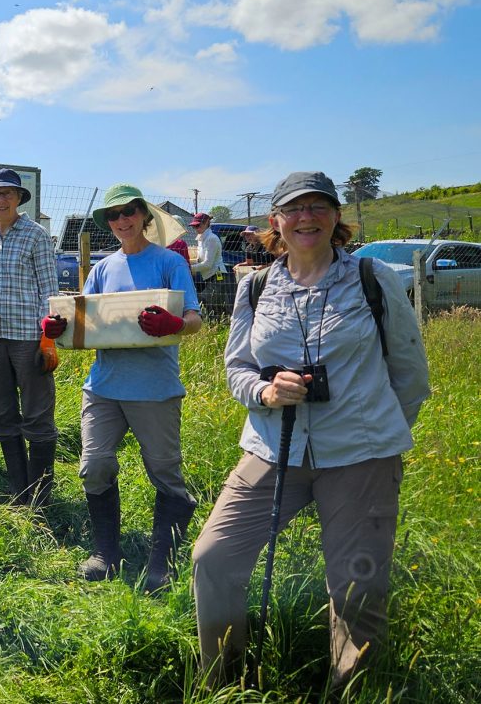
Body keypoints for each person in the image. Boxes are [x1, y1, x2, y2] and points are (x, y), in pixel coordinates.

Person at [192, 171, 430, 689]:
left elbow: (410, 374)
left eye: (319, 206)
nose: (306, 217)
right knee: (214, 559)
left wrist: (378, 441)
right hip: (274, 447)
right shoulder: (255, 285)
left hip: (361, 454)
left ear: (336, 216)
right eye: (293, 209)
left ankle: (357, 690)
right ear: (275, 221)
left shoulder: (371, 278)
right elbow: (236, 368)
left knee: (356, 586)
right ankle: (224, 683)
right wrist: (265, 392)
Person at [73, 184, 202, 593]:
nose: (121, 221)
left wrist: (176, 325)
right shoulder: (101, 269)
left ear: (143, 216)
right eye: (113, 216)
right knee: (94, 466)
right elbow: (84, 322)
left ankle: (162, 562)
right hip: (104, 386)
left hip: (155, 388)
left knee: (165, 473)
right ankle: (105, 555)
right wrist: (59, 330)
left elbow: (195, 318)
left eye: (129, 212)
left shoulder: (168, 262)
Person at [0, 169, 60, 507]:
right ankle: (20, 492)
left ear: (19, 199)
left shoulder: (35, 235)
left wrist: (47, 339)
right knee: (0, 414)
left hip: (28, 337)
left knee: (36, 415)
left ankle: (41, 496)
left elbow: (50, 290)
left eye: (8, 194)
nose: (1, 200)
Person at [189, 212, 229, 315]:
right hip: (208, 276)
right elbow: (199, 260)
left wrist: (189, 268)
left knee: (208, 301)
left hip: (217, 276)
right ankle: (219, 324)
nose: (196, 228)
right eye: (194, 226)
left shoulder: (212, 239)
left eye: (198, 225)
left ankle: (221, 324)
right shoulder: (201, 239)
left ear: (206, 223)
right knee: (213, 305)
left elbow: (207, 264)